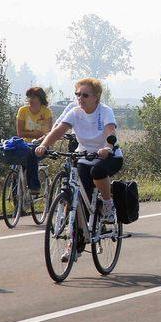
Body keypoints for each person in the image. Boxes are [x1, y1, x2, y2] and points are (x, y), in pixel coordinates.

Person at [35, 78, 124, 261]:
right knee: (78, 202)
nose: (80, 98)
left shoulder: (105, 111)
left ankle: (107, 205)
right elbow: (59, 130)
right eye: (77, 95)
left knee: (97, 172)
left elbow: (109, 131)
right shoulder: (75, 113)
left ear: (96, 97)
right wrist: (43, 146)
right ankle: (74, 245)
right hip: (84, 156)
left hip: (108, 156)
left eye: (85, 95)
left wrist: (108, 147)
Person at [16, 87, 53, 195]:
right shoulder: (23, 110)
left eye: (33, 97)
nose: (30, 100)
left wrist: (36, 135)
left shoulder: (46, 112)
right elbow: (20, 133)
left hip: (42, 145)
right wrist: (36, 133)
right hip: (25, 144)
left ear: (40, 98)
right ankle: (17, 193)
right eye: (29, 97)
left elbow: (48, 134)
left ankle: (34, 187)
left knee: (32, 154)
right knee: (15, 156)